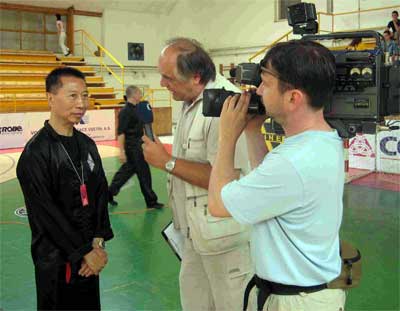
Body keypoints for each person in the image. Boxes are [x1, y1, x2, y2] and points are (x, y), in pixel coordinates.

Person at [208, 40, 346, 311]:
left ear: (293, 98)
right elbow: (271, 194)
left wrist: (226, 138)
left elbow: (218, 204)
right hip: (308, 295)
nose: (258, 91)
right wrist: (251, 131)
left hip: (295, 302)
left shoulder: (292, 162)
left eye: (265, 84)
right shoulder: (322, 141)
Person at [142, 37, 254, 310]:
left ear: (195, 77)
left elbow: (228, 181)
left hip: (224, 241)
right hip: (195, 234)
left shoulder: (225, 106)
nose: (162, 84)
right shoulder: (191, 99)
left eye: (168, 78)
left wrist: (167, 162)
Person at [17, 67, 113, 310]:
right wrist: (83, 251)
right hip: (57, 262)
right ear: (51, 98)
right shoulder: (36, 154)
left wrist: (98, 243)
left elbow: (100, 194)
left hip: (89, 259)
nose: (81, 103)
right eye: (72, 95)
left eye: (85, 95)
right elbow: (47, 215)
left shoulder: (87, 145)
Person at [108, 85, 163, 209]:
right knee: (144, 173)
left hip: (139, 144)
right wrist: (121, 151)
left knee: (126, 172)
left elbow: (146, 127)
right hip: (132, 147)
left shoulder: (140, 109)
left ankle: (108, 193)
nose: (141, 94)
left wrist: (154, 142)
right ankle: (151, 202)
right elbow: (121, 132)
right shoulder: (125, 111)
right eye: (139, 92)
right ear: (133, 94)